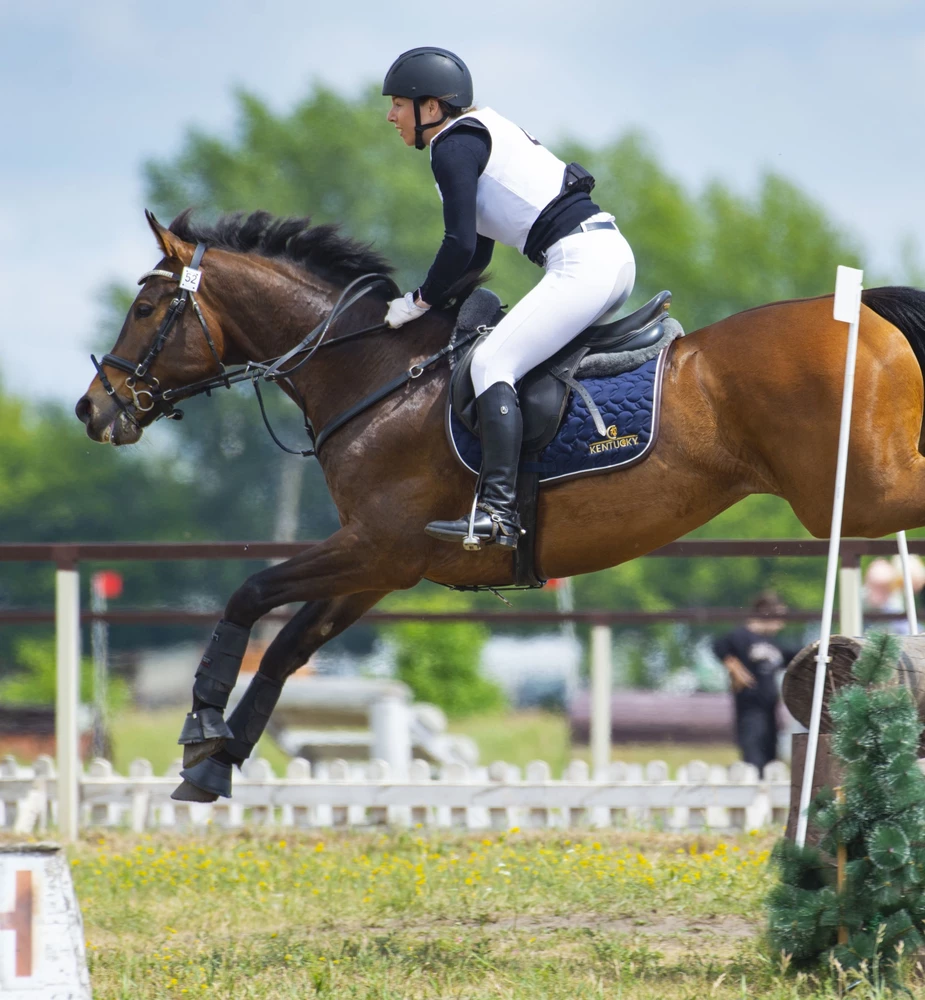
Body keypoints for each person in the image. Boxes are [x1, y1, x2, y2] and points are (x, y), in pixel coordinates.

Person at [381, 46, 637, 548]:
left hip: (583, 261)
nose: (390, 115)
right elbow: (475, 256)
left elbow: (457, 246)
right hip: (605, 254)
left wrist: (415, 302)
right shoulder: (477, 135)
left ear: (431, 108)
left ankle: (498, 513)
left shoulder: (452, 145)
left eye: (398, 104)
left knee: (491, 363)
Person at [711, 591, 800, 777]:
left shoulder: (773, 643)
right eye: (779, 616)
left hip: (770, 710)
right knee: (754, 759)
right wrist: (733, 667)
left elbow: (793, 656)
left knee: (771, 759)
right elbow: (719, 646)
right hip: (750, 709)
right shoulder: (740, 636)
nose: (782, 623)